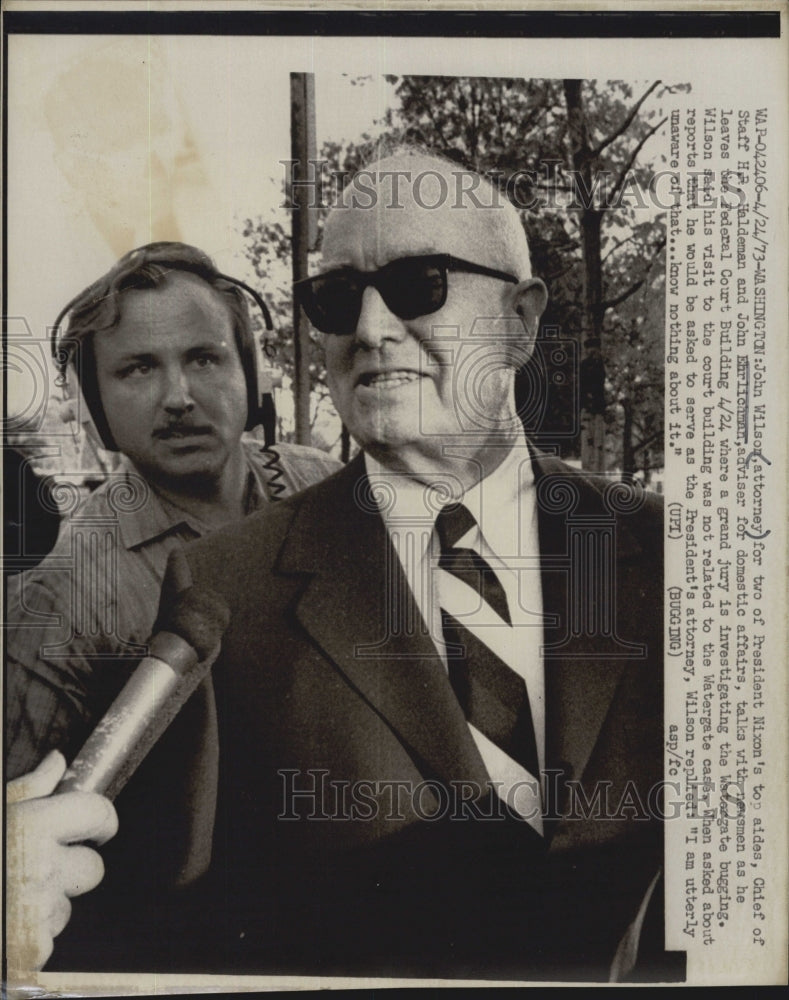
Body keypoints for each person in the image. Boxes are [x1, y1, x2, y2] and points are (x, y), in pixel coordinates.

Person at [8, 158, 673, 981]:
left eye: (418, 282)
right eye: (335, 298)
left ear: (521, 318)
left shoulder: (681, 559)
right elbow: (160, 923)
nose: (370, 327)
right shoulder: (207, 588)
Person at [4, 242, 340, 974]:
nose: (179, 394)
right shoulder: (69, 586)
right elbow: (22, 825)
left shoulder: (327, 487)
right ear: (95, 403)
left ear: (248, 372)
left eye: (205, 357)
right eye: (137, 369)